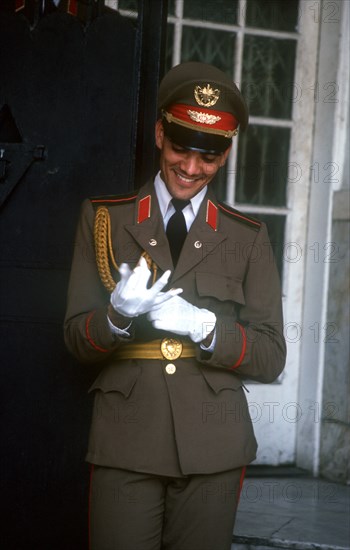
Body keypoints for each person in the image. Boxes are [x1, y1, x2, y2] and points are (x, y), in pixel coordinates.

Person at [64, 61, 286, 550]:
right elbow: (75, 340)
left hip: (216, 443)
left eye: (207, 157)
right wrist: (116, 316)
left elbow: (271, 357)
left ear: (226, 154)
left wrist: (208, 327)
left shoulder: (247, 237)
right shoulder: (104, 219)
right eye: (181, 148)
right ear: (160, 133)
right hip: (127, 438)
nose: (190, 168)